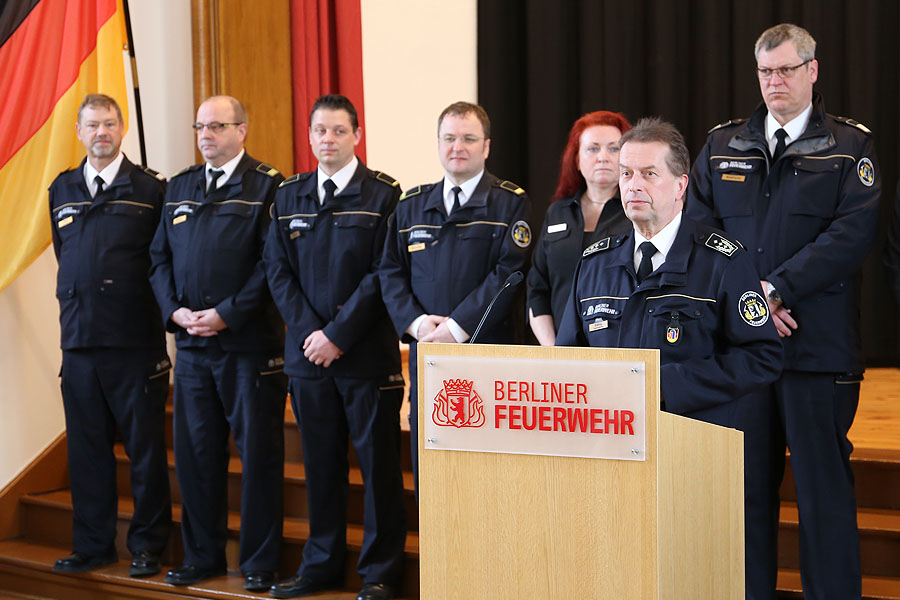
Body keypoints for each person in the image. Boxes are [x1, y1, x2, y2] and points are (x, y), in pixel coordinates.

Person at [687, 24, 881, 600]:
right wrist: (751, 304)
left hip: (816, 349)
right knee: (745, 495)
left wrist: (774, 291)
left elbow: (850, 237)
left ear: (812, 71)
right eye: (766, 72)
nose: (775, 82)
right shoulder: (723, 144)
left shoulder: (850, 146)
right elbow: (700, 233)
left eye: (787, 70)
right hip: (743, 354)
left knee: (823, 494)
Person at [556, 119, 782, 597]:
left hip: (695, 459)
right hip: (614, 460)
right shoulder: (594, 262)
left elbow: (762, 357)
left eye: (648, 174)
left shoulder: (724, 260)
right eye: (626, 174)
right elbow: (569, 358)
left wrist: (663, 386)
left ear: (680, 186)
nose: (633, 185)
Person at [264, 95, 406, 600]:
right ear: (309, 137)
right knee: (321, 470)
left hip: (365, 360)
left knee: (379, 473)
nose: (328, 139)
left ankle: (381, 574)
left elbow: (383, 273)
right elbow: (277, 270)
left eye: (339, 131)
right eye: (320, 131)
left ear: (357, 136)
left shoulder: (385, 194)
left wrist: (337, 336)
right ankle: (320, 567)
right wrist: (312, 335)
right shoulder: (288, 195)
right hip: (309, 361)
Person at [148, 95, 288, 591]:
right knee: (195, 457)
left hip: (248, 348)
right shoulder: (180, 186)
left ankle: (259, 562)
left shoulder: (268, 186)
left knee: (259, 458)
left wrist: (227, 314)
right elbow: (158, 258)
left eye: (217, 126)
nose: (206, 135)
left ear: (241, 130)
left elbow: (272, 265)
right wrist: (174, 311)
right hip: (191, 348)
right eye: (200, 127)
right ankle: (202, 556)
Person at [379, 101, 532, 492]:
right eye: (449, 138)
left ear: (487, 146)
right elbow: (390, 271)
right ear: (438, 143)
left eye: (468, 139)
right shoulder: (411, 204)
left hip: (488, 357)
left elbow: (509, 274)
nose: (457, 147)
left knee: (487, 478)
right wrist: (417, 324)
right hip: (428, 355)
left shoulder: (510, 202)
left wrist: (457, 327)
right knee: (431, 473)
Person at [49, 93, 171, 578]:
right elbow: (66, 254)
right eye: (92, 125)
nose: (101, 132)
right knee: (86, 453)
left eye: (109, 124)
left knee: (145, 453)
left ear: (123, 130)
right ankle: (93, 545)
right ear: (79, 132)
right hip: (79, 342)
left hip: (133, 343)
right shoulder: (62, 188)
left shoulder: (150, 188)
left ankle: (148, 547)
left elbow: (162, 261)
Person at [527, 110, 632, 345]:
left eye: (613, 149)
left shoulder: (637, 213)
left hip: (620, 351)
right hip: (559, 350)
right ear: (576, 159)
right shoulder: (557, 212)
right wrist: (554, 351)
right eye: (593, 149)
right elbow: (537, 288)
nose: (603, 157)